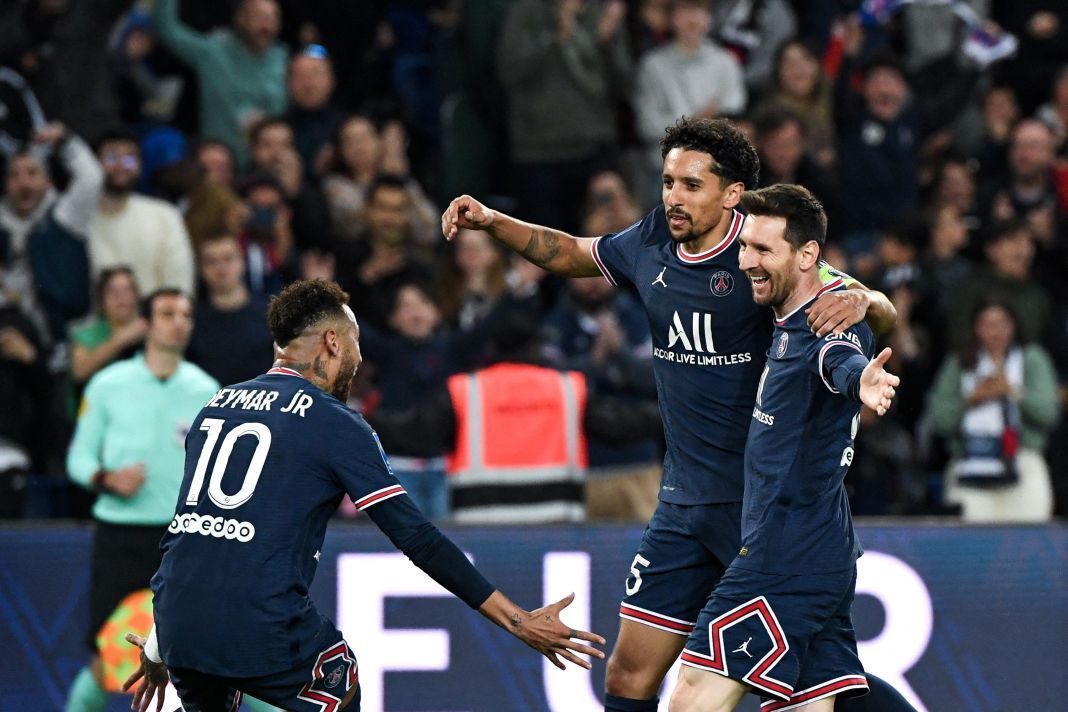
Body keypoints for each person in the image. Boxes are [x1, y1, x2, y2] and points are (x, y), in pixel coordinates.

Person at [442, 116, 908, 712]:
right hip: (684, 500)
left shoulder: (764, 254)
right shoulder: (653, 240)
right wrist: (493, 222)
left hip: (756, 507)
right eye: (667, 182)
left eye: (691, 185)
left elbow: (859, 315)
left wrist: (866, 299)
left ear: (731, 194)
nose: (674, 197)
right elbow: (572, 252)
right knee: (628, 675)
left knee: (811, 679)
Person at [122, 279, 605, 711]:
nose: (359, 357)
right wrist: (518, 621)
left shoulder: (215, 406)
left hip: (179, 622)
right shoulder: (334, 422)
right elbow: (416, 538)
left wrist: (157, 646)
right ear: (332, 342)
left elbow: (191, 531)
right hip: (259, 621)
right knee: (341, 679)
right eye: (354, 342)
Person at [668, 184, 900, 712]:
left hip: (785, 550)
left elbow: (835, 359)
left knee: (692, 697)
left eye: (763, 250)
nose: (747, 260)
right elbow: (876, 308)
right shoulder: (808, 302)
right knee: (809, 704)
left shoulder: (827, 320)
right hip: (821, 545)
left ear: (807, 255)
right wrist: (868, 299)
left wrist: (860, 379)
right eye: (746, 245)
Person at [65, 288, 219, 712]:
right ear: (146, 324)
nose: (179, 321)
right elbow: (78, 457)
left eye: (186, 314)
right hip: (120, 538)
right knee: (105, 661)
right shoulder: (108, 383)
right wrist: (106, 478)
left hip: (181, 539)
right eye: (168, 313)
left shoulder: (206, 389)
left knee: (208, 657)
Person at [927, 298, 1059, 522]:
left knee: (1027, 542)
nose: (994, 331)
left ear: (1013, 326)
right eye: (986, 324)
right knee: (973, 546)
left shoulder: (1031, 359)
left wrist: (1011, 391)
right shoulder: (959, 362)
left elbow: (1048, 413)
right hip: (969, 463)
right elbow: (940, 420)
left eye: (1001, 324)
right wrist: (971, 400)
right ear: (975, 328)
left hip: (1023, 461)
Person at [152, 0, 288, 164]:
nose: (266, 26)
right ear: (240, 18)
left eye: (272, 18)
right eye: (259, 17)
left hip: (268, 169)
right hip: (218, 164)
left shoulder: (285, 60)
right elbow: (168, 29)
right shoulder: (213, 53)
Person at [88, 128, 196, 296]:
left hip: (153, 319)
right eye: (111, 157)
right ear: (94, 164)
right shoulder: (79, 221)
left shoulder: (164, 215)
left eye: (129, 159)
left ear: (140, 166)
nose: (120, 166)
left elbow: (179, 282)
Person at [186, 232, 274, 387]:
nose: (221, 268)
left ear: (242, 262)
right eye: (211, 261)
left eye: (228, 258)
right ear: (200, 269)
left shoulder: (272, 313)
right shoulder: (190, 320)